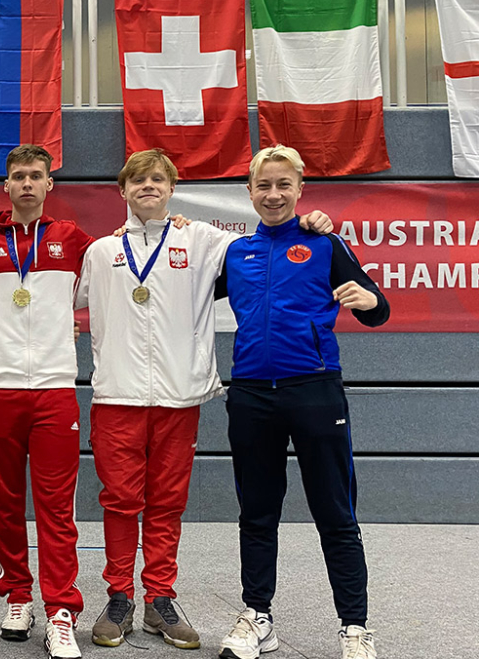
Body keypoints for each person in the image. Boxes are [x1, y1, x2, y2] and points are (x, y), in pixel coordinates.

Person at [75, 150, 333, 650]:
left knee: (167, 503)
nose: (148, 186)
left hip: (180, 396)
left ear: (172, 188)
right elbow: (62, 298)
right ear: (122, 191)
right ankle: (119, 597)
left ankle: (160, 598)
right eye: (137, 180)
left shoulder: (204, 240)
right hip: (117, 396)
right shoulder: (101, 252)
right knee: (120, 501)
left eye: (158, 179)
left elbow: (269, 238)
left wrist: (310, 222)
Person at [215, 145, 388, 659]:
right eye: (264, 185)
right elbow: (178, 285)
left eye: (283, 185)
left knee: (335, 513)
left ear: (299, 189)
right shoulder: (235, 253)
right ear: (249, 191)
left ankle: (354, 627)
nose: (274, 195)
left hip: (314, 391)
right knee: (257, 513)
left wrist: (369, 300)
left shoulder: (325, 243)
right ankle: (258, 617)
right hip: (250, 394)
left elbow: (377, 308)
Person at [0, 144, 91, 659]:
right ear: (7, 185)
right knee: (7, 501)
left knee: (57, 507)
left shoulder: (73, 239)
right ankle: (18, 595)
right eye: (19, 176)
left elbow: (114, 274)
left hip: (55, 387)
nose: (28, 184)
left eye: (37, 175)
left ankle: (61, 610)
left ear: (49, 184)